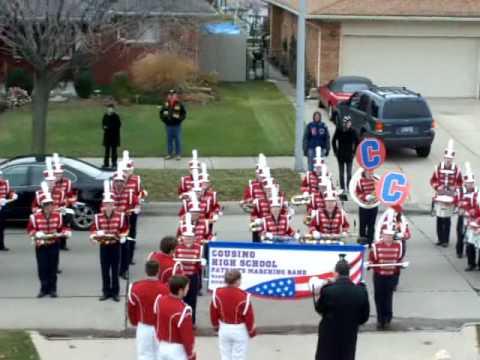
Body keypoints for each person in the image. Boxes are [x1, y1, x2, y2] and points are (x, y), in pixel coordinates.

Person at [314, 256, 370, 360]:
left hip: (329, 333)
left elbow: (320, 309)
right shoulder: (361, 291)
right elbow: (364, 316)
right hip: (350, 332)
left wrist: (318, 296)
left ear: (336, 273)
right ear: (349, 273)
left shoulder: (328, 290)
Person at [27, 182, 71, 298]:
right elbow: (30, 230)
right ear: (42, 205)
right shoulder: (34, 217)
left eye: (50, 204)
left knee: (52, 267)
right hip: (40, 245)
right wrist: (37, 234)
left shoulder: (58, 216)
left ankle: (53, 289)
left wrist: (66, 231)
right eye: (46, 205)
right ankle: (43, 289)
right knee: (42, 268)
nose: (49, 207)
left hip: (54, 244)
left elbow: (62, 227)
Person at [90, 180, 129, 302]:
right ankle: (106, 292)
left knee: (115, 269)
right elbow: (93, 231)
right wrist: (95, 236)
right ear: (103, 205)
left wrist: (122, 236)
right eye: (106, 204)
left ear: (113, 205)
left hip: (115, 245)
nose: (108, 206)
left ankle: (115, 292)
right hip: (104, 246)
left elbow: (125, 229)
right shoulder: (97, 217)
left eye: (110, 204)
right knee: (105, 270)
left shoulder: (120, 216)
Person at [210, 270, 256, 360]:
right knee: (239, 356)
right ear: (237, 281)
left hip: (224, 328)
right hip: (239, 329)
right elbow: (249, 317)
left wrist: (216, 327)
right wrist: (251, 332)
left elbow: (213, 313)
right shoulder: (244, 297)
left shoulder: (217, 294)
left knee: (225, 356)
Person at [128, 260, 169, 360]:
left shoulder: (135, 288)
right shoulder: (166, 289)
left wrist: (134, 322)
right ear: (158, 271)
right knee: (161, 354)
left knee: (144, 355)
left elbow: (131, 308)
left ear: (145, 271)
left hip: (144, 326)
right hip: (160, 327)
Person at [369, 221, 403, 330]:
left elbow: (399, 261)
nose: (388, 238)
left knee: (388, 297)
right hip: (379, 277)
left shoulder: (398, 246)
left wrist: (398, 272)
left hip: (391, 276)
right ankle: (380, 320)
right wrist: (370, 264)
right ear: (382, 235)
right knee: (378, 298)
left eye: (390, 236)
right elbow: (371, 260)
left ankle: (388, 319)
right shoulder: (375, 246)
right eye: (386, 235)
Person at [430, 140, 463, 247]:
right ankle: (440, 239)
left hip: (450, 197)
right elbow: (433, 180)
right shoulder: (438, 168)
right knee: (439, 218)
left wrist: (455, 188)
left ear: (452, 159)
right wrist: (437, 187)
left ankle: (446, 240)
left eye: (450, 159)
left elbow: (460, 183)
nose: (448, 160)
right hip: (440, 196)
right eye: (447, 158)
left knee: (447, 219)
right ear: (444, 158)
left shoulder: (457, 169)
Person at [155, 275, 196, 360]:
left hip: (161, 346)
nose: (188, 289)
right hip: (177, 350)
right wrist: (190, 354)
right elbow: (187, 337)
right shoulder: (184, 310)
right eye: (187, 288)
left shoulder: (160, 300)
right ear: (180, 291)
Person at [174, 214, 203, 326]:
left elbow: (199, 264)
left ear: (194, 237)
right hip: (181, 277)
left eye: (190, 237)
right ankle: (180, 319)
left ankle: (191, 321)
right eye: (186, 237)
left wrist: (201, 263)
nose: (188, 239)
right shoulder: (178, 247)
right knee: (180, 299)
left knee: (192, 300)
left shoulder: (198, 247)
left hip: (193, 277)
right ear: (183, 237)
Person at [52, 153, 77, 251]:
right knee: (55, 225)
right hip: (53, 207)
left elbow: (72, 195)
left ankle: (63, 244)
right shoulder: (50, 182)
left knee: (64, 225)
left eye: (59, 173)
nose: (58, 175)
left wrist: (68, 201)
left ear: (62, 173)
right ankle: (55, 243)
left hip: (64, 207)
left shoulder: (68, 182)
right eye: (56, 173)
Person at [332, 115, 359, 196]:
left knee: (349, 173)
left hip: (349, 155)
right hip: (340, 155)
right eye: (348, 122)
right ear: (344, 123)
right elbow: (333, 141)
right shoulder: (339, 130)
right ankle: (342, 188)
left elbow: (357, 141)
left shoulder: (353, 131)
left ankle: (349, 187)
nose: (349, 124)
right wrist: (335, 152)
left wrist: (354, 152)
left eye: (350, 122)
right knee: (341, 173)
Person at [159, 89, 187, 161]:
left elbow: (184, 114)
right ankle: (169, 154)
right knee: (169, 140)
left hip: (177, 126)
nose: (171, 96)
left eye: (173, 95)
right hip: (168, 126)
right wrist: (164, 120)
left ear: (175, 96)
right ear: (168, 96)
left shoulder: (179, 104)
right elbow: (161, 113)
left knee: (177, 140)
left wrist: (180, 119)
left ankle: (178, 155)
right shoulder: (165, 104)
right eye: (170, 95)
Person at [354, 168, 379, 246]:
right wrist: (365, 197)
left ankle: (370, 241)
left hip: (373, 205)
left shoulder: (376, 180)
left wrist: (375, 195)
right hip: (363, 205)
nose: (370, 173)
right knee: (363, 224)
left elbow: (380, 192)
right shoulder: (360, 181)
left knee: (371, 224)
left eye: (372, 171)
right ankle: (363, 240)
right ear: (364, 172)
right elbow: (357, 193)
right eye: (368, 172)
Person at [0, 170, 17, 251]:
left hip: (2, 208)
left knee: (1, 227)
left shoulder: (5, 183)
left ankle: (1, 245)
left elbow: (9, 192)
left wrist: (13, 194)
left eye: (0, 176)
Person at [102, 102, 122, 169]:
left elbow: (118, 125)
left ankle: (114, 163)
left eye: (111, 108)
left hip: (114, 136)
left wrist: (109, 127)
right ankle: (106, 163)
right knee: (106, 151)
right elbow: (103, 124)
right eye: (108, 108)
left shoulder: (116, 116)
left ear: (113, 109)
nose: (109, 109)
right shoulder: (105, 115)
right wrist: (104, 127)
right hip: (107, 136)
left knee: (114, 151)